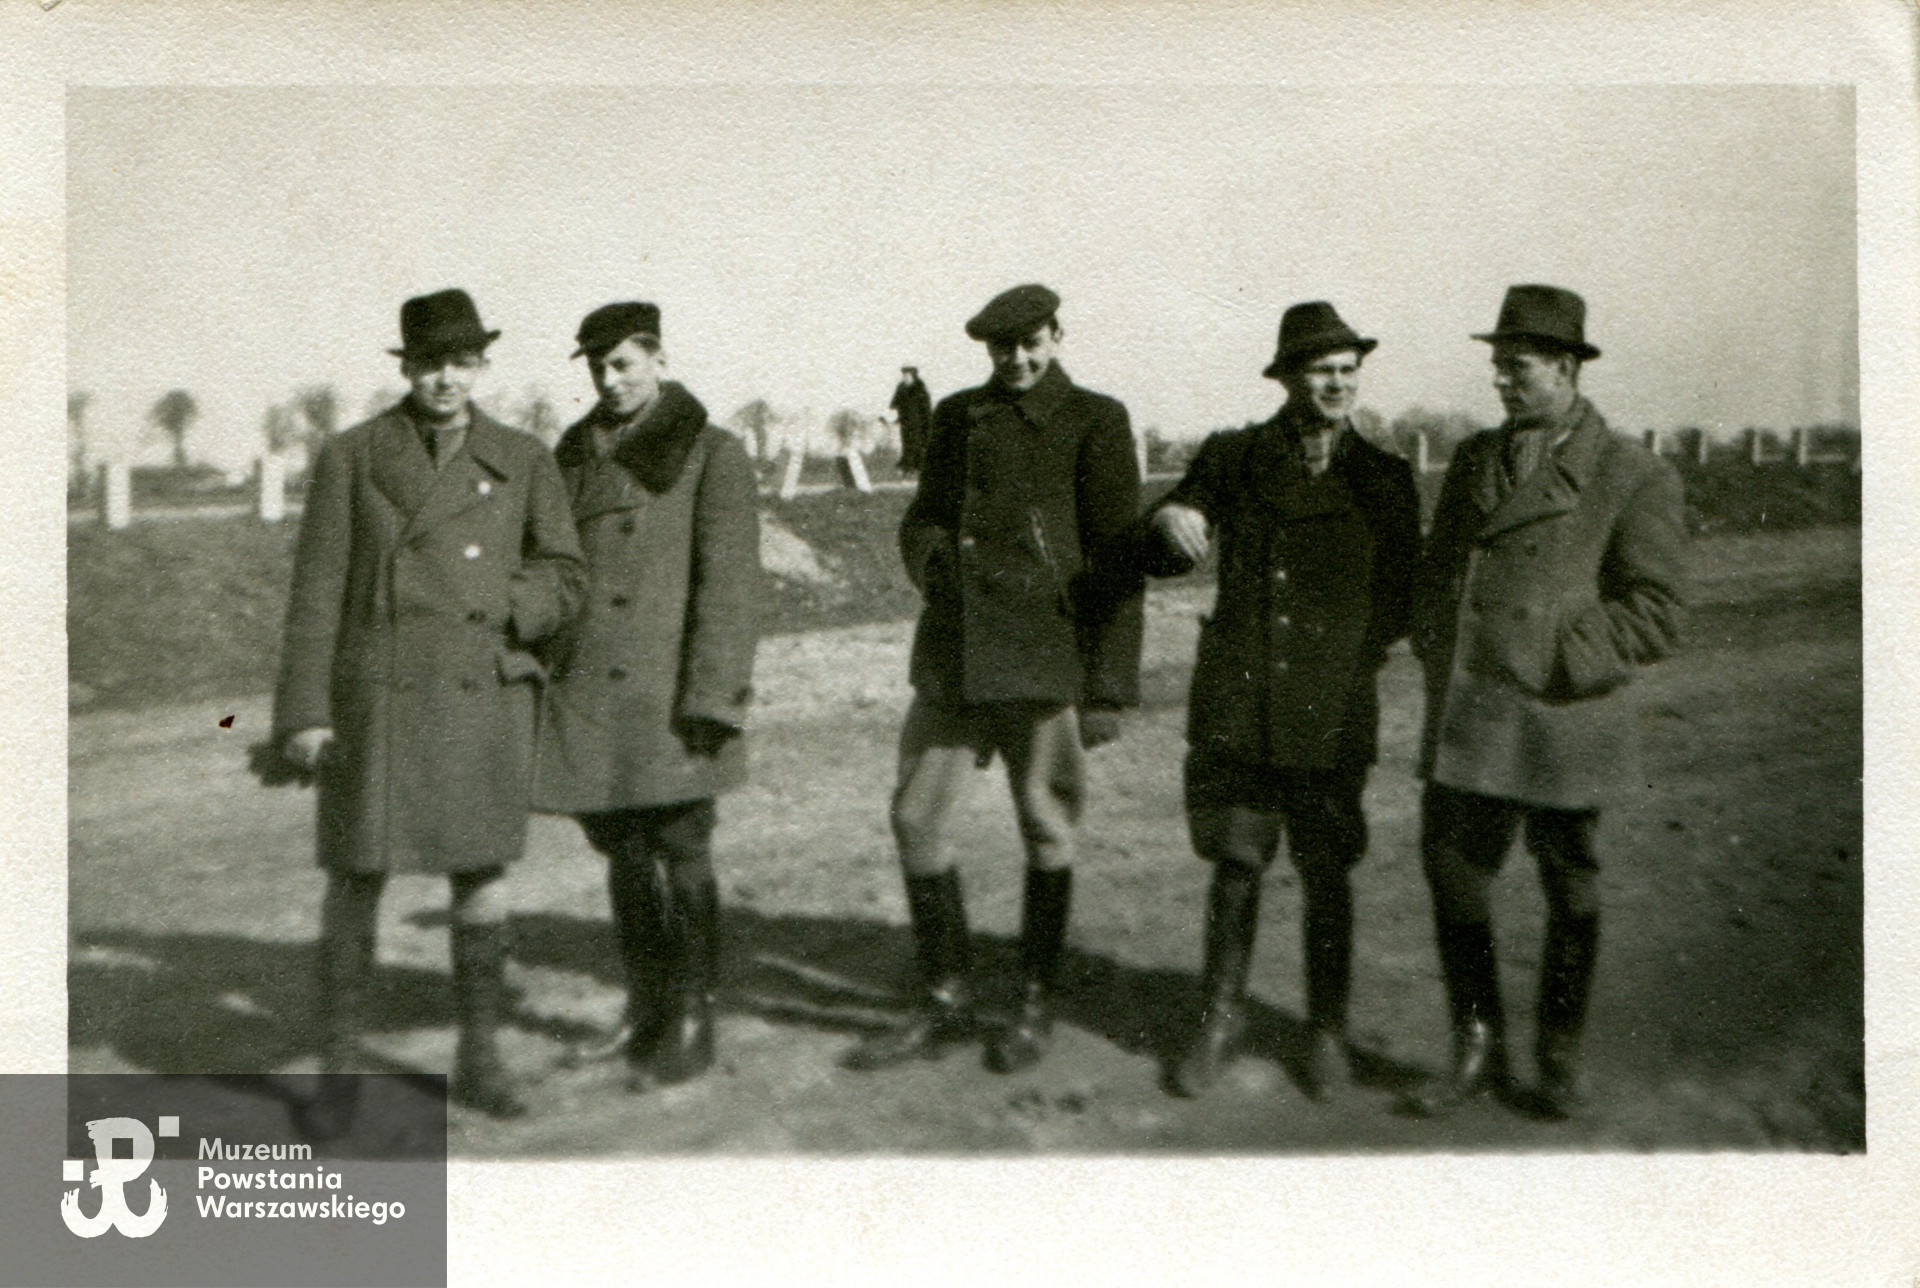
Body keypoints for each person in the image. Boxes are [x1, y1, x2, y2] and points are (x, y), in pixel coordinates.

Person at [271, 288, 587, 1120]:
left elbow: (565, 572)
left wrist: (506, 606)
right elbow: (316, 593)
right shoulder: (352, 456)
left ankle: (479, 1059)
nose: (446, 378)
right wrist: (304, 713)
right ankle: (340, 1075)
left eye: (462, 362)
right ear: (406, 367)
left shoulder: (523, 457)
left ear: (480, 366)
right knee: (355, 877)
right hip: (377, 700)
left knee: (480, 875)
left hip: (478, 693)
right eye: (429, 363)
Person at [842, 284, 1144, 1075]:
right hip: (957, 654)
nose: (1016, 359)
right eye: (1001, 347)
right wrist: (934, 561)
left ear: (1057, 336)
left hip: (1044, 656)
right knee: (916, 816)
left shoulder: (1097, 420)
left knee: (1047, 824)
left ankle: (1034, 1002)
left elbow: (1120, 561)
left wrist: (1107, 686)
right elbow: (925, 517)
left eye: (1030, 343)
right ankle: (945, 995)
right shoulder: (955, 416)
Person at [1405, 284, 1686, 1119]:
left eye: (1517, 367)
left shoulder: (1631, 472)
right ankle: (1476, 1047)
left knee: (1570, 885)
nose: (1499, 381)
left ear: (1565, 369)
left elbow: (1657, 610)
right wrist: (1436, 642)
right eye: (1496, 365)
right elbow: (1439, 572)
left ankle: (1558, 1057)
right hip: (1475, 709)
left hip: (1564, 713)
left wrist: (1558, 655)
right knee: (1453, 874)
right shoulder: (1473, 461)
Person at [1144, 302, 1420, 1099]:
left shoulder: (1385, 478)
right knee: (1236, 863)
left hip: (1332, 707)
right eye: (1321, 370)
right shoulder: (1233, 457)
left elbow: (1402, 595)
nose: (1337, 384)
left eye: (1348, 370)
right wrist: (1170, 517)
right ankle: (1220, 1021)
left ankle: (1325, 1031)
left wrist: (1343, 656)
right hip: (1242, 701)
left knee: (1327, 869)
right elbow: (1168, 537)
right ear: (1289, 378)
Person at [532, 302, 761, 1091]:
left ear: (659, 360)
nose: (609, 379)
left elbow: (729, 588)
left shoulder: (712, 452)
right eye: (597, 367)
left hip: (669, 693)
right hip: (589, 688)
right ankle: (646, 1002)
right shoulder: (572, 454)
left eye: (624, 364)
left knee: (682, 843)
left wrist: (714, 698)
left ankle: (693, 1010)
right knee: (622, 847)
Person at [890, 365, 933, 474]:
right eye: (904, 375)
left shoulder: (920, 389)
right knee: (906, 444)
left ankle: (914, 468)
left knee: (916, 445)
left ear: (913, 376)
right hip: (904, 422)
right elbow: (894, 404)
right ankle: (908, 468)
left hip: (918, 423)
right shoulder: (901, 388)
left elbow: (926, 408)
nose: (905, 378)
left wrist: (928, 423)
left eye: (907, 376)